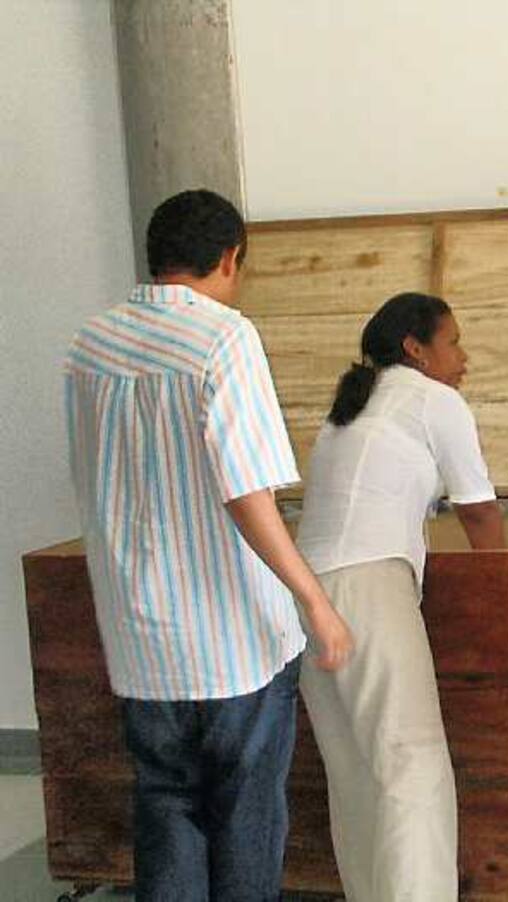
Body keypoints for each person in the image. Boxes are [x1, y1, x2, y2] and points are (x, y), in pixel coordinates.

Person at [64, 188, 354, 900]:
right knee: (247, 814)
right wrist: (314, 600)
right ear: (230, 258)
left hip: (139, 638)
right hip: (232, 643)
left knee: (165, 805)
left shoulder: (89, 344)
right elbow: (246, 490)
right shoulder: (223, 337)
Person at [296, 292, 505, 901]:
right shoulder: (432, 399)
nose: (463, 357)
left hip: (308, 594)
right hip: (367, 589)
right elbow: (481, 513)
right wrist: (504, 587)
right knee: (413, 768)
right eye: (453, 341)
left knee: (358, 773)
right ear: (416, 349)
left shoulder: (352, 407)